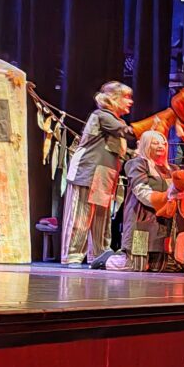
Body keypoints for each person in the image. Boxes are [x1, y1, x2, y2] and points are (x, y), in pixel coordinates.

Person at [61, 82, 137, 265]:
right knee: (81, 215)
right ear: (114, 99)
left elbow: (117, 149)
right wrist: (158, 120)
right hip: (88, 171)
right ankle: (72, 256)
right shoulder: (102, 115)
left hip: (105, 174)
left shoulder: (116, 121)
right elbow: (127, 132)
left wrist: (134, 154)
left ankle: (99, 255)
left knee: (101, 220)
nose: (131, 101)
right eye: (127, 97)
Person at [101, 131, 182, 272]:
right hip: (141, 224)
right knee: (137, 266)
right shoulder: (137, 164)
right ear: (146, 145)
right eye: (155, 143)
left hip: (162, 225)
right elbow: (141, 191)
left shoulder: (173, 169)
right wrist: (164, 199)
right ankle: (106, 259)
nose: (161, 146)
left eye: (163, 143)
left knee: (160, 267)